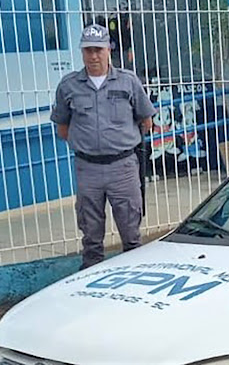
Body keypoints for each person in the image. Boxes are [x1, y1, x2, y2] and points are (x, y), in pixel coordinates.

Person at [51, 24, 156, 269]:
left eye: (98, 49)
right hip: (88, 167)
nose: (94, 56)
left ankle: (135, 276)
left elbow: (146, 121)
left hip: (123, 167)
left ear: (109, 49)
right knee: (91, 234)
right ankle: (91, 275)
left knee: (131, 232)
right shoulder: (68, 86)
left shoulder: (128, 81)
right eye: (88, 50)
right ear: (82, 52)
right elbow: (63, 128)